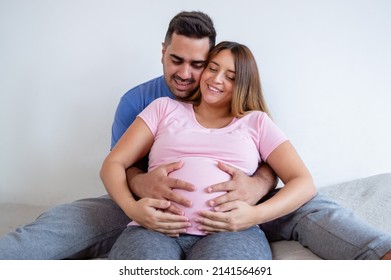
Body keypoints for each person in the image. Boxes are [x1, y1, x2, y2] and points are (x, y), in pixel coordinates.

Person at [0, 11, 390, 260]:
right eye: (178, 61)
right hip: (151, 210)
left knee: (317, 209)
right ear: (163, 52)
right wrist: (138, 198)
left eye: (200, 64)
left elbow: (283, 170)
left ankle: (379, 251)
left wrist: (255, 193)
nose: (190, 74)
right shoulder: (146, 103)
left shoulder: (252, 119)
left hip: (233, 215)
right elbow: (118, 165)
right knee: (71, 220)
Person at [100, 41, 317, 259]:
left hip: (230, 233)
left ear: (243, 84)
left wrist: (254, 215)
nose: (216, 79)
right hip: (154, 228)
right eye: (212, 68)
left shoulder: (256, 122)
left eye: (230, 76)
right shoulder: (163, 108)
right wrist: (132, 208)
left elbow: (303, 182)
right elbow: (113, 163)